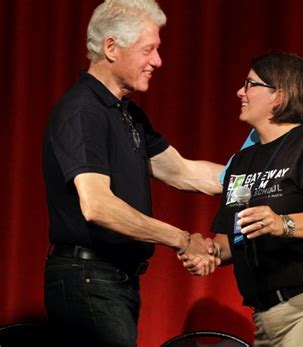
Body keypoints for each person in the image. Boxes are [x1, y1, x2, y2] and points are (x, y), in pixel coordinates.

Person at [42, 1, 222, 346]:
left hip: (114, 281)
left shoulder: (128, 115)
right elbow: (98, 206)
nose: (158, 61)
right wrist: (182, 239)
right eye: (149, 49)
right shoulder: (83, 111)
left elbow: (184, 172)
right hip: (88, 280)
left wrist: (259, 178)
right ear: (111, 47)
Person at [181, 52, 303, 346]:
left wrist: (282, 223)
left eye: (250, 84)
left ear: (279, 96)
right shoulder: (241, 163)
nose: (240, 92)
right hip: (265, 319)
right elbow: (232, 239)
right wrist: (209, 252)